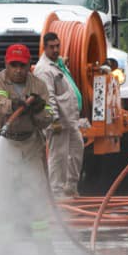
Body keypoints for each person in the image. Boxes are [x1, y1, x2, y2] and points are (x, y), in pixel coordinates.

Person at [0, 43, 56, 166]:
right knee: (3, 184)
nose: (18, 70)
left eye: (22, 65)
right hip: (2, 140)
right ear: (6, 63)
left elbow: (48, 117)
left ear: (29, 65)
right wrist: (13, 105)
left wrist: (39, 110)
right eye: (13, 65)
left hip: (31, 146)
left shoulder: (39, 85)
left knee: (35, 184)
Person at [33, 31, 84, 196]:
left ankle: (70, 188)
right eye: (51, 47)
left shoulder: (58, 65)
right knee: (58, 158)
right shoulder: (44, 70)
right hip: (58, 122)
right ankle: (57, 193)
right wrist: (53, 119)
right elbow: (48, 97)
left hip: (70, 120)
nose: (55, 50)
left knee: (76, 151)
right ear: (45, 48)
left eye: (57, 46)